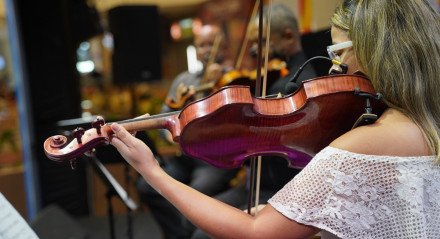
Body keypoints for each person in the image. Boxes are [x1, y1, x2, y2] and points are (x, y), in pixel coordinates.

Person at [112, 0, 440, 238]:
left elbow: (255, 232)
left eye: (338, 53)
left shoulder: (361, 146)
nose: (334, 68)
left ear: (373, 52)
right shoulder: (428, 125)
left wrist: (150, 170)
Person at [189, 4, 318, 238]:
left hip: (279, 190)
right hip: (256, 186)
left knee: (202, 234)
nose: (255, 51)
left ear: (288, 36)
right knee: (196, 219)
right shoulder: (272, 80)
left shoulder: (296, 86)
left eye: (261, 43)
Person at [135, 24, 239, 239]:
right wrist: (170, 136)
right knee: (146, 186)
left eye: (212, 44)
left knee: (195, 194)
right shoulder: (184, 81)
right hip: (186, 156)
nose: (207, 50)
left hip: (216, 160)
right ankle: (178, 234)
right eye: (201, 45)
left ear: (225, 48)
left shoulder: (235, 80)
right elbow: (165, 118)